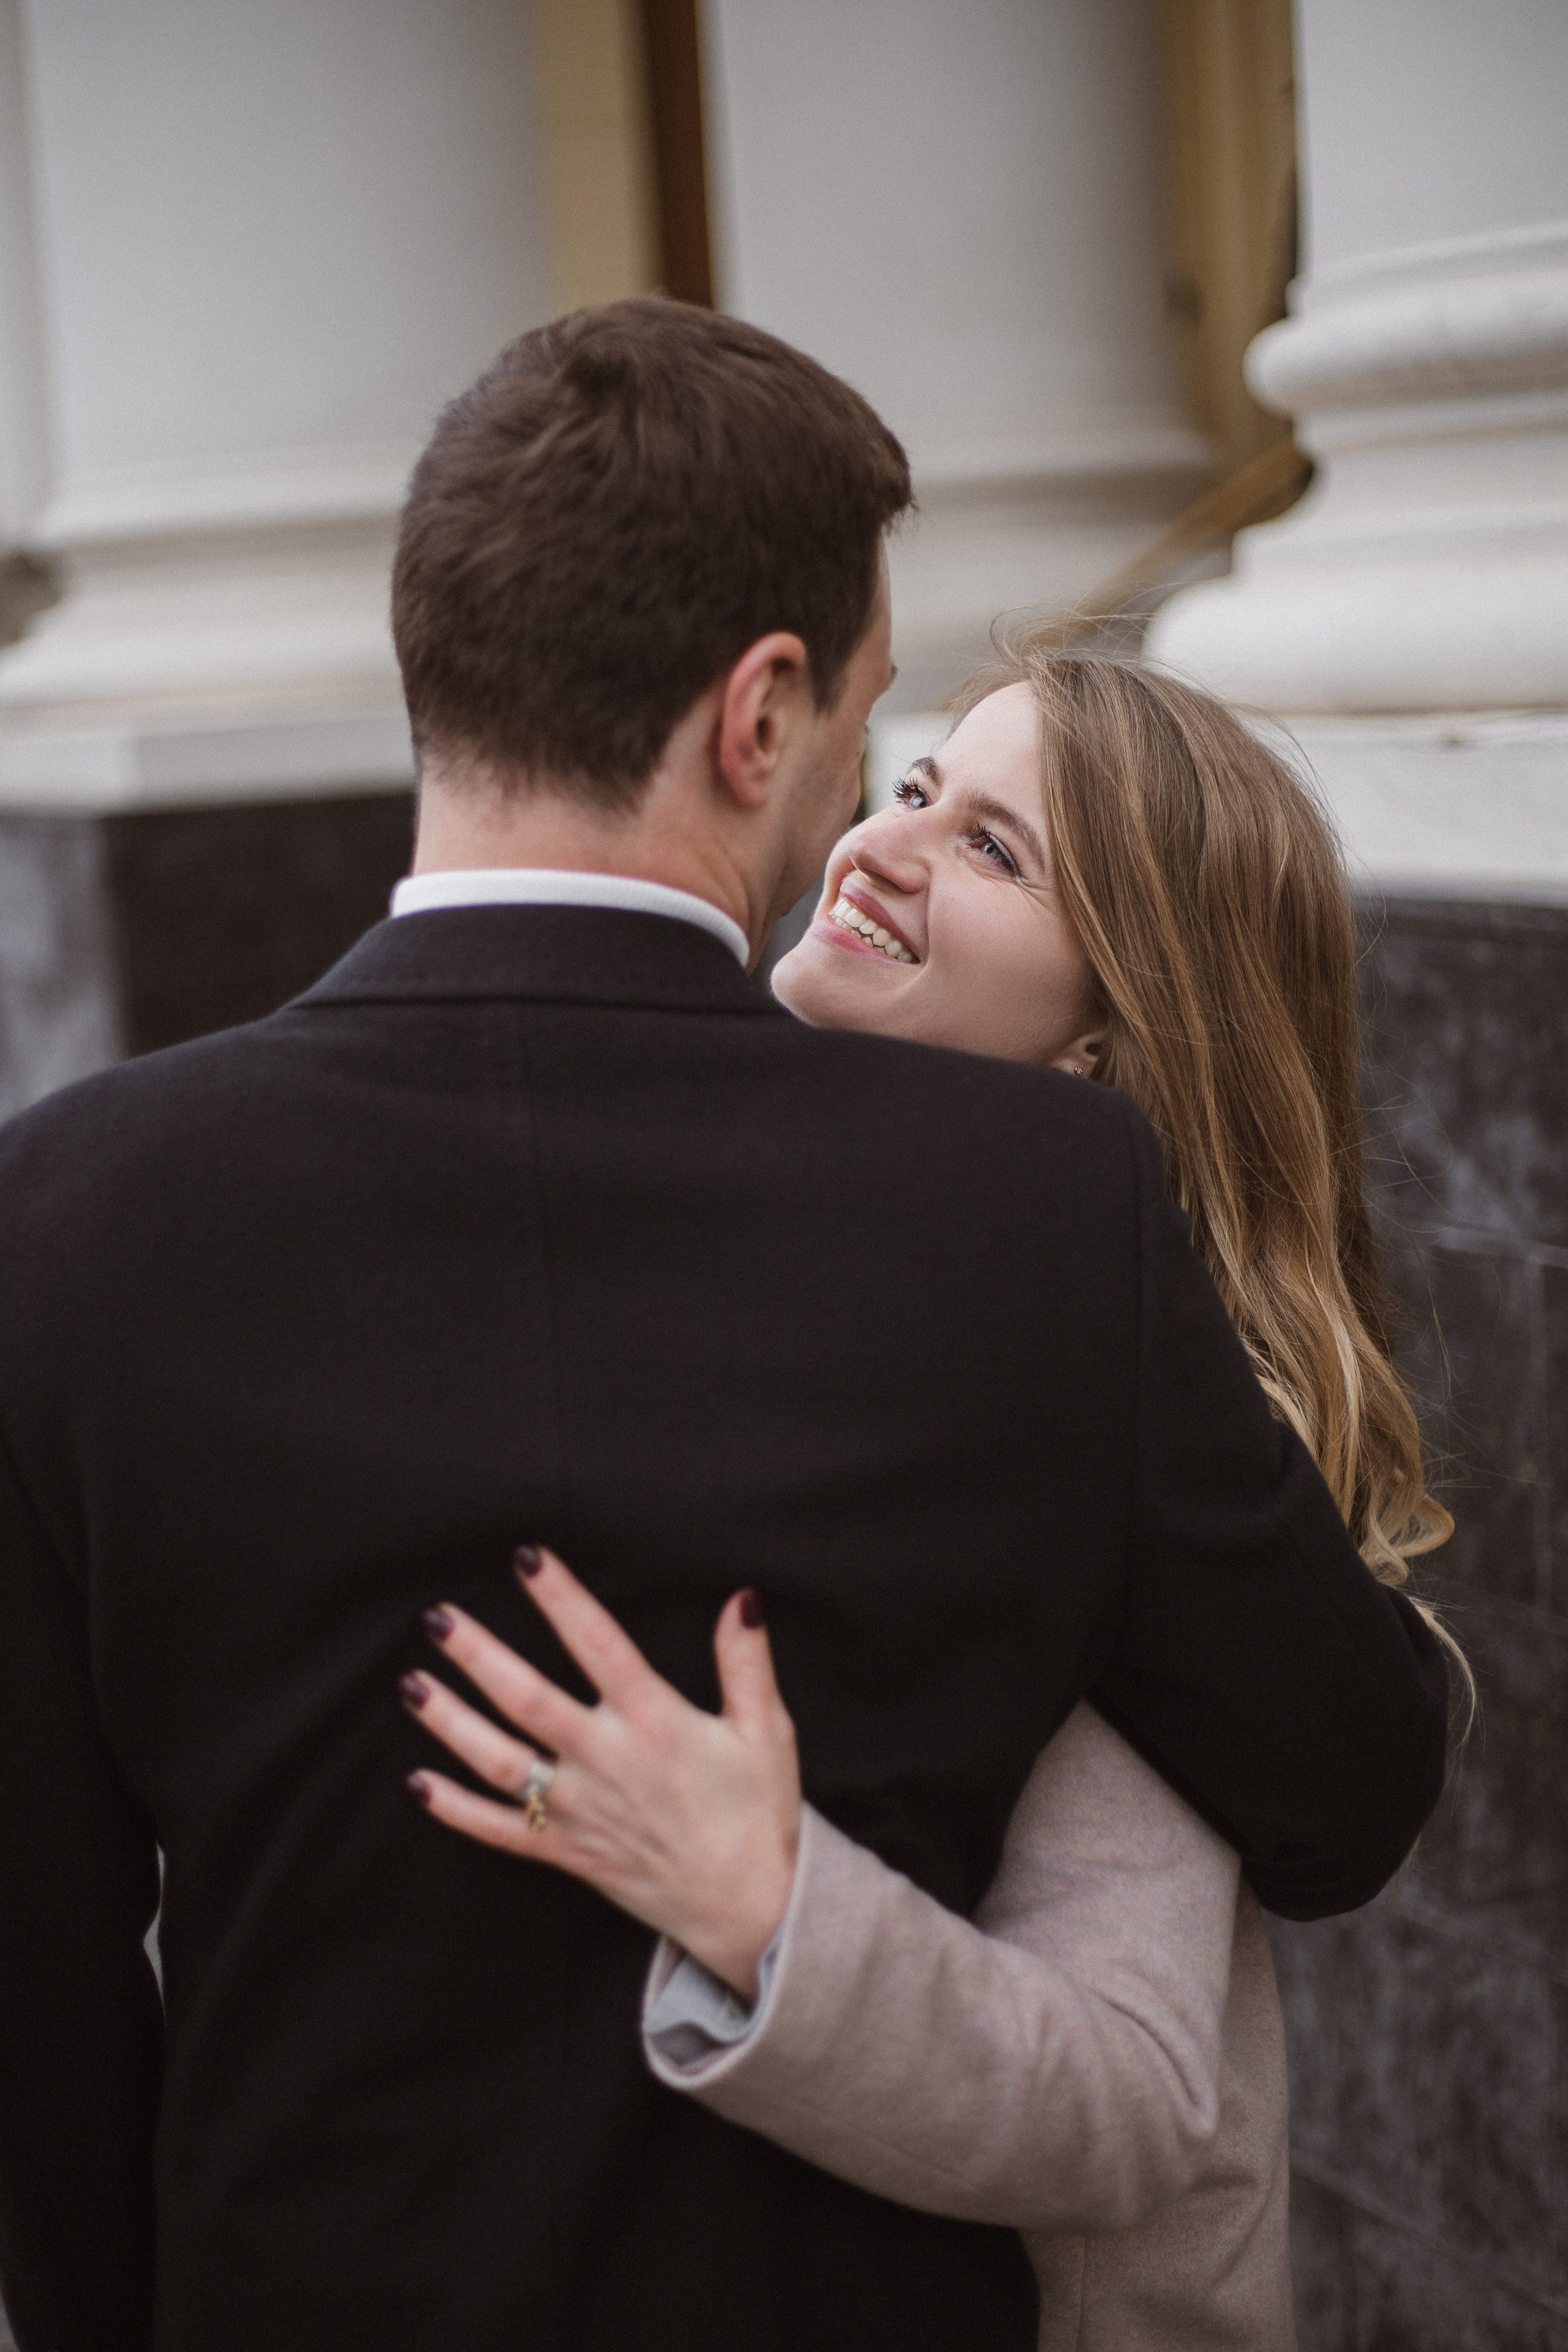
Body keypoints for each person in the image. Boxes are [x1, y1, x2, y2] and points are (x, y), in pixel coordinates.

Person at [0, 303, 1448, 2352]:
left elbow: (42, 1994)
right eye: (879, 729)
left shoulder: (63, 1213)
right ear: (760, 719)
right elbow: (1348, 1780)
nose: (871, 805)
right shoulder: (1041, 1218)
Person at [401, 652, 1467, 2347]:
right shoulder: (812, 1286)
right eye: (913, 791)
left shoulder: (1100, 1425)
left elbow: (1122, 2101)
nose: (879, 849)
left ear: (1104, 1052)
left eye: (992, 851)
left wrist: (765, 1908)